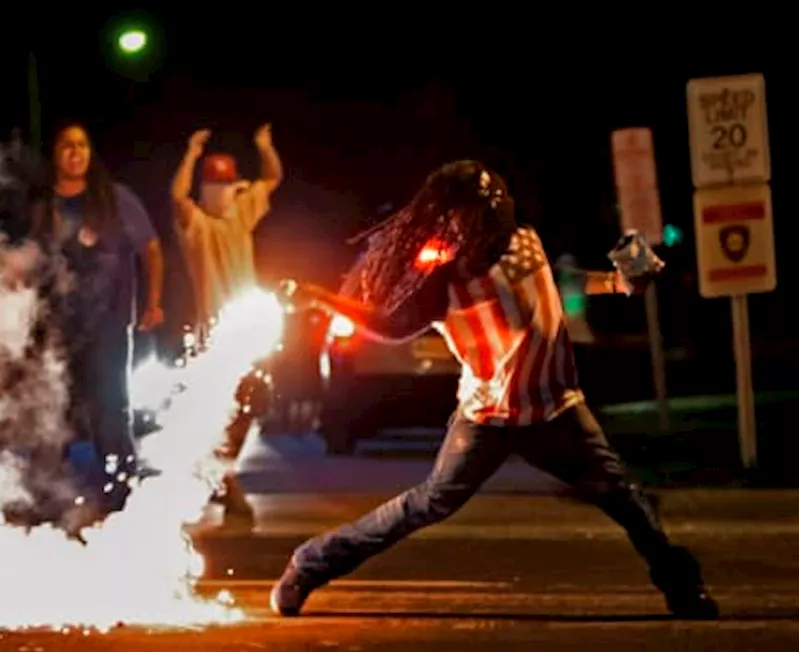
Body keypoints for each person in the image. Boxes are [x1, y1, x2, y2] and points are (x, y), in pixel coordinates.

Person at [270, 160, 718, 620]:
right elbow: (391, 326)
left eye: (491, 215)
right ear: (453, 221)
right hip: (487, 418)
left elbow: (555, 281)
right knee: (426, 504)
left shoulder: (524, 239)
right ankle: (310, 564)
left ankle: (683, 589)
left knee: (624, 496)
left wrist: (618, 282)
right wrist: (321, 296)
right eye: (473, 218)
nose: (486, 227)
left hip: (556, 408)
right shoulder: (442, 277)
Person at [30, 121, 164, 514]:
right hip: (57, 323)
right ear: (55, 155)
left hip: (107, 321)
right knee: (51, 408)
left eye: (82, 145)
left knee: (109, 407)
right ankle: (48, 493)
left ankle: (121, 490)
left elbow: (151, 250)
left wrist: (153, 302)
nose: (76, 152)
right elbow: (31, 260)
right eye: (67, 145)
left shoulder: (114, 199)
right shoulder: (44, 205)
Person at [170, 124, 283, 529]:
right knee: (221, 409)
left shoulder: (241, 215)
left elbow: (272, 178)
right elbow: (177, 197)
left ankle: (221, 471)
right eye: (214, 183)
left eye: (226, 182)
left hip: (247, 332)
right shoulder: (197, 226)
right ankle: (222, 477)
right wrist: (191, 153)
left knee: (247, 408)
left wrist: (263, 147)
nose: (221, 190)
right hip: (213, 337)